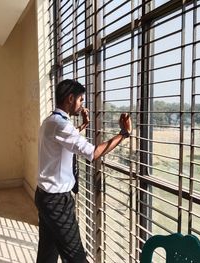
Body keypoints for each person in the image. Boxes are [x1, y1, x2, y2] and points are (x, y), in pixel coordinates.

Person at [35, 79, 132, 263]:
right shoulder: (62, 125)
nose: (82, 104)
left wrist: (83, 126)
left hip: (44, 196)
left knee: (47, 253)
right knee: (76, 257)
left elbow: (63, 141)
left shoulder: (50, 122)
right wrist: (123, 134)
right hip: (57, 202)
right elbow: (93, 153)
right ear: (70, 98)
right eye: (80, 100)